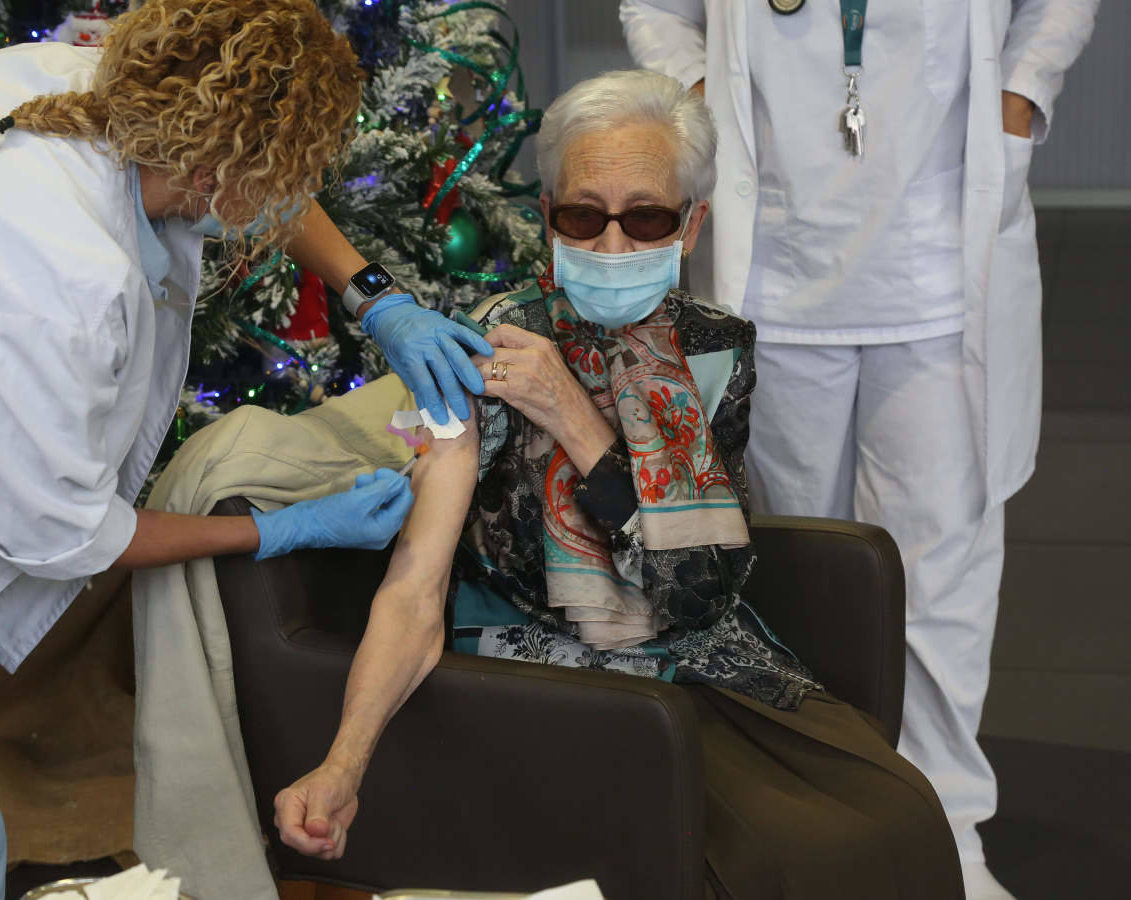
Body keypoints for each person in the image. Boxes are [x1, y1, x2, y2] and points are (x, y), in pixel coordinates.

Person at [0, 2, 491, 898]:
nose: (285, 203)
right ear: (222, 169)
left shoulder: (93, 86)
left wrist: (372, 295)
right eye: (281, 178)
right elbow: (60, 534)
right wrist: (281, 532)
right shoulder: (56, 273)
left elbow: (258, 158)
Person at [270, 70, 964, 899]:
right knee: (752, 864)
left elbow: (698, 589)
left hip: (695, 656)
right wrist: (343, 764)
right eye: (581, 216)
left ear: (690, 225)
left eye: (644, 218)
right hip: (540, 680)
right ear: (546, 220)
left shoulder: (714, 348)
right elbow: (415, 589)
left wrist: (573, 413)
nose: (611, 247)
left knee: (891, 816)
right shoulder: (486, 353)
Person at [618, 2, 1099, 896]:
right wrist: (697, 92)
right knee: (797, 569)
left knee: (941, 574)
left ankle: (947, 833)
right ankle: (824, 820)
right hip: (778, 271)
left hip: (939, 269)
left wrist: (1021, 91)